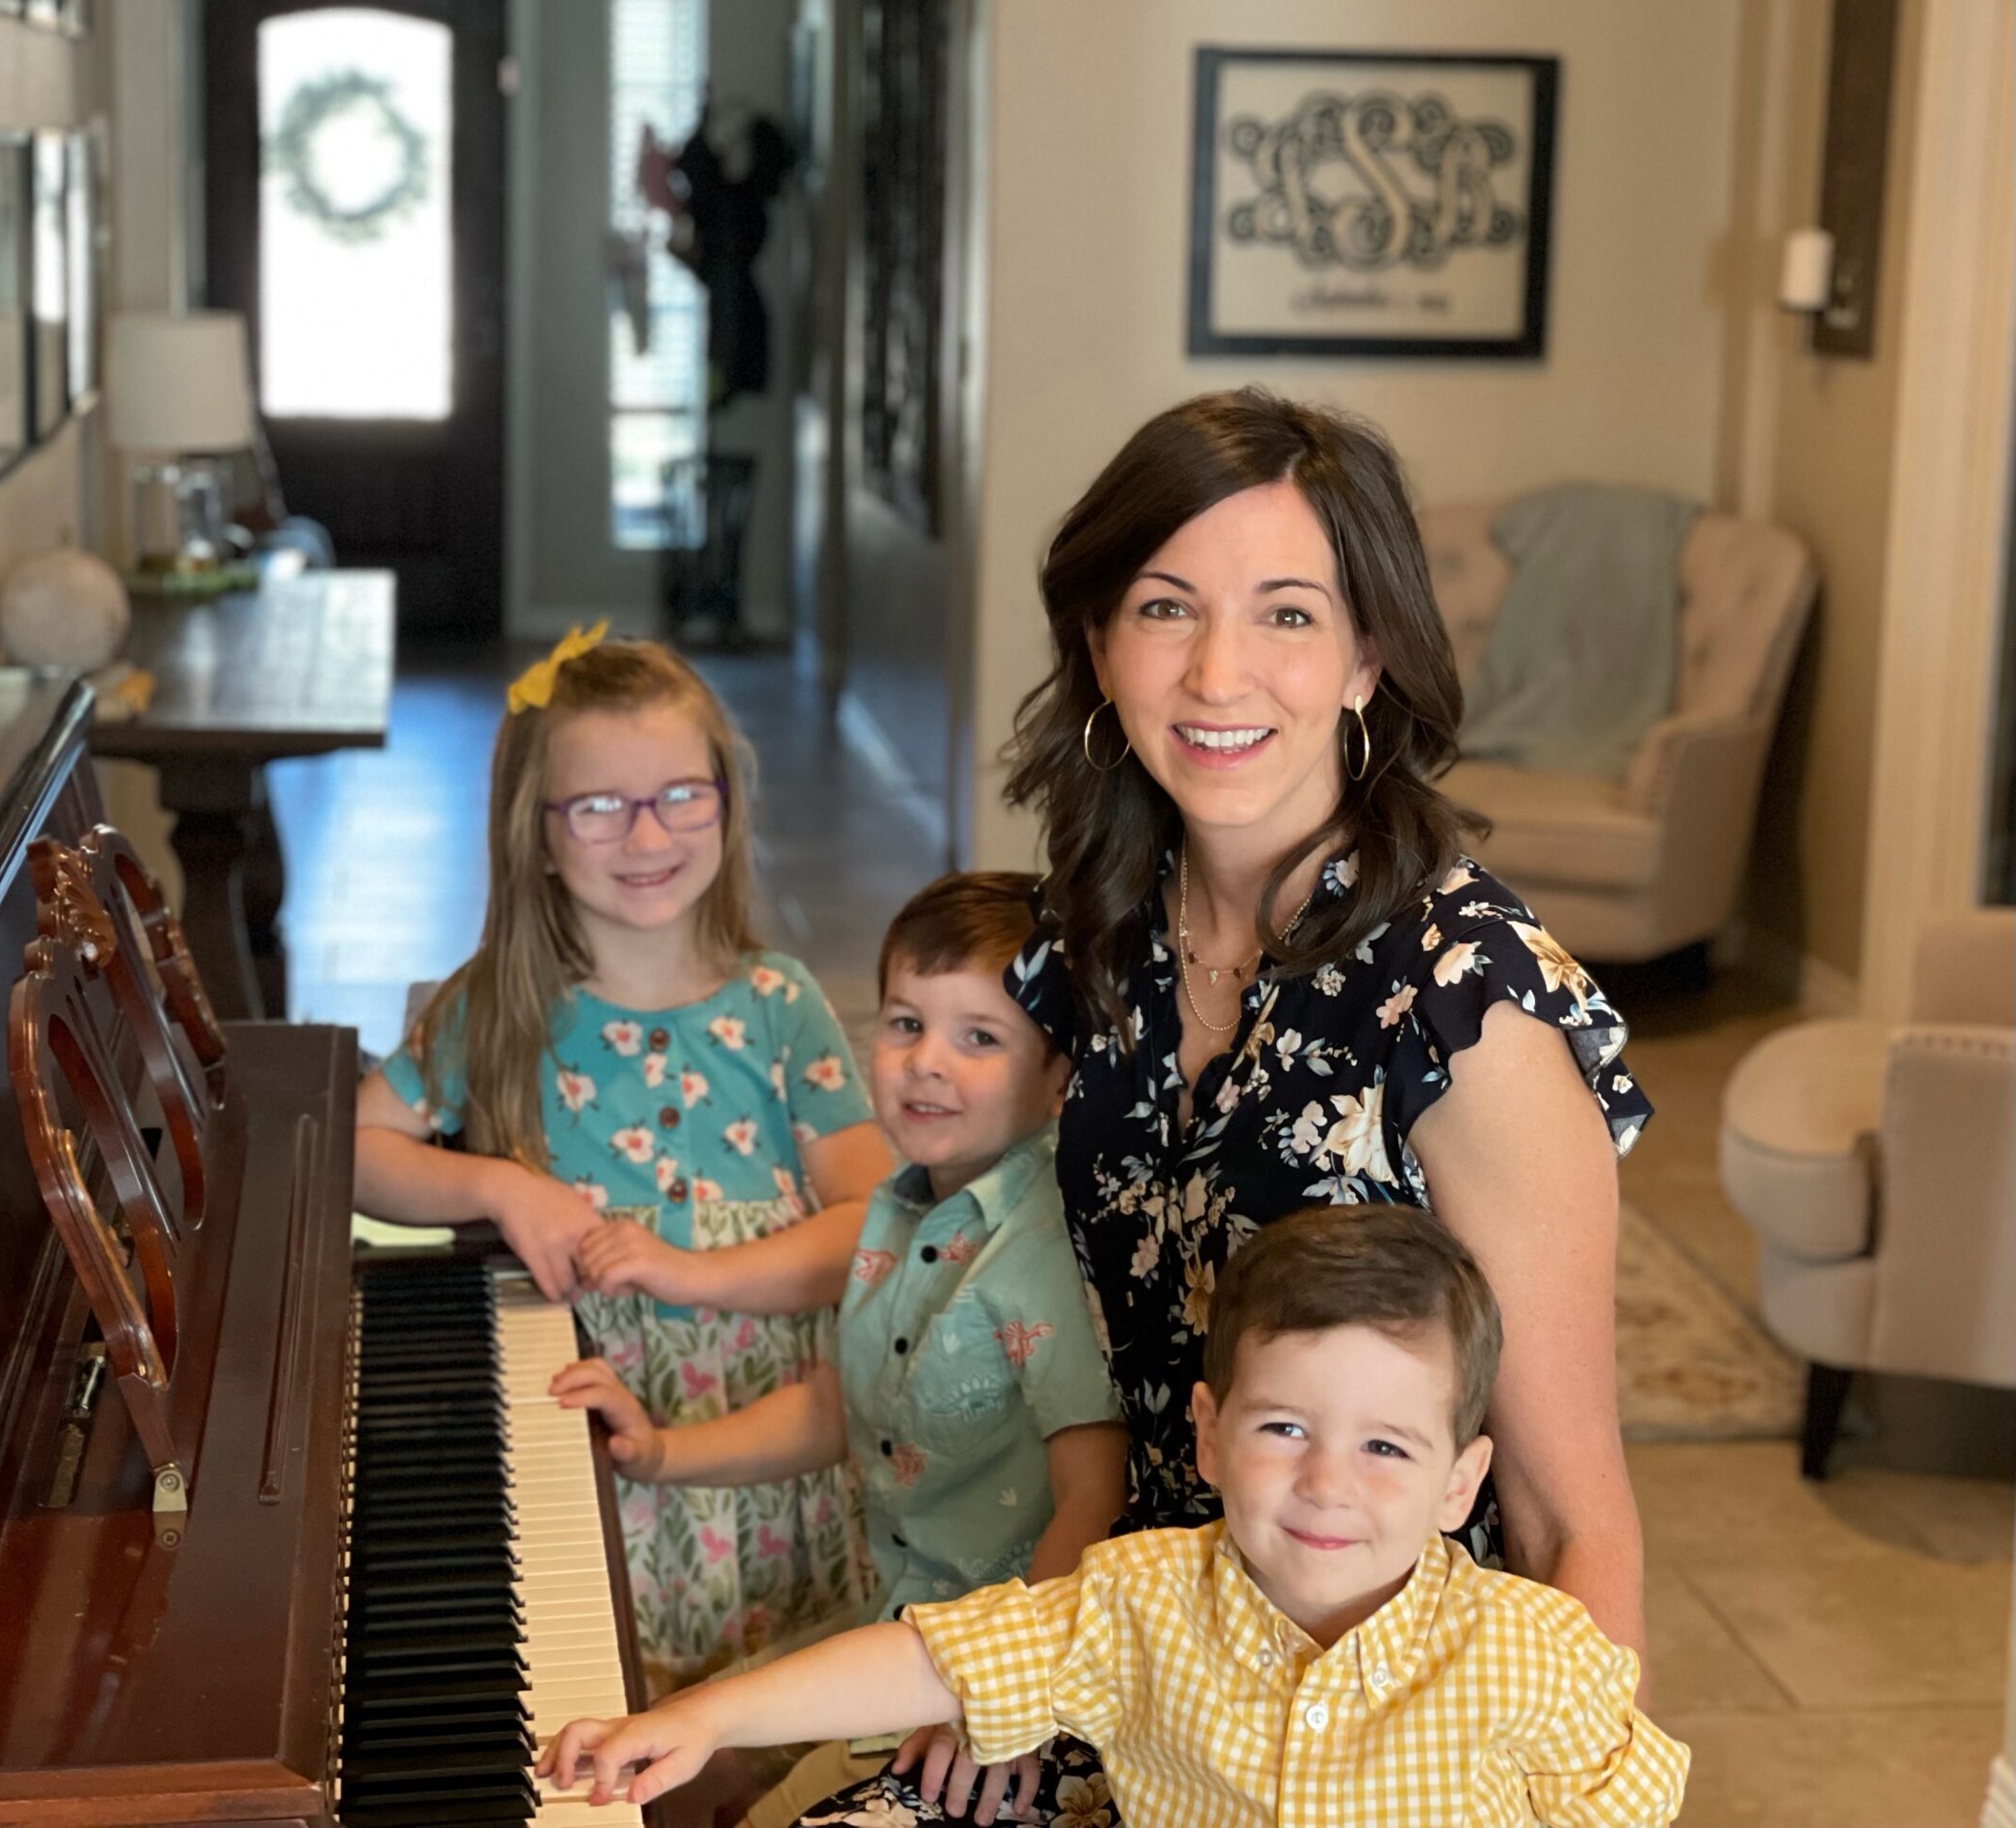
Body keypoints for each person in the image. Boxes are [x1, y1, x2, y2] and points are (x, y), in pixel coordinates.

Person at [801, 387, 1655, 1821]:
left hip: (1365, 1743)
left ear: (1369, 657)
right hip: (1119, 1646)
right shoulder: (1091, 939)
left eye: (1288, 615)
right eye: (1164, 607)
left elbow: (1578, 1519)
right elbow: (968, 1199)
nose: (1217, 673)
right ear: (1098, 645)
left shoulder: (1468, 1005)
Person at [539, 1207, 1690, 1828]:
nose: (1329, 1483)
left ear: (1460, 1481)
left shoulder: (1532, 1652)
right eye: (1284, 1428)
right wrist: (703, 1719)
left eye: (1386, 1447)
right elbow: (934, 1662)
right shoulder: (1139, 1600)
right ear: (1205, 1432)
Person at [353, 628, 892, 1691]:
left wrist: (693, 1273)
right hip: (599, 1456)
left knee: (771, 1717)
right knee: (615, 1699)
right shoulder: (498, 1012)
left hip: (775, 1453)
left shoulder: (779, 1006)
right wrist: (497, 1185)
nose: (645, 833)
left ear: (726, 805)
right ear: (538, 834)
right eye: (598, 806)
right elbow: (356, 1154)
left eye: (680, 795)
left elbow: (871, 1223)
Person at [550, 873, 1129, 1824]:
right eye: (905, 1024)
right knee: (664, 1768)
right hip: (892, 1624)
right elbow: (841, 1405)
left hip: (992, 1675)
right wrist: (663, 1451)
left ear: (1059, 1073)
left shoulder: (1038, 1254)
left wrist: (1006, 1701)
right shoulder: (898, 1208)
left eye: (978, 1038)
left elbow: (1094, 1500)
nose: (924, 1063)